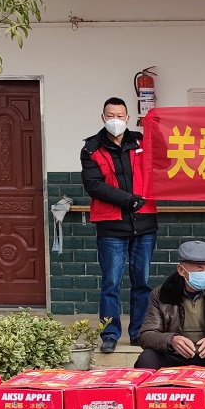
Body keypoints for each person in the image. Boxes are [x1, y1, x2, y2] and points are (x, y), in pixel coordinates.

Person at [81, 97, 156, 354]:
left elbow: (165, 162)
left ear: (127, 117)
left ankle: (139, 332)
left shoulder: (143, 143)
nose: (116, 120)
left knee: (142, 282)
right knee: (111, 283)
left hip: (144, 224)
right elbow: (94, 185)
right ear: (103, 117)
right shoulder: (91, 149)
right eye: (111, 115)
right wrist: (129, 200)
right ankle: (110, 334)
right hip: (111, 226)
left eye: (120, 115)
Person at [134, 240, 205, 369]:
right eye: (199, 270)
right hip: (174, 356)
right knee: (147, 357)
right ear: (181, 270)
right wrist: (171, 340)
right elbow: (146, 334)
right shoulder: (162, 294)